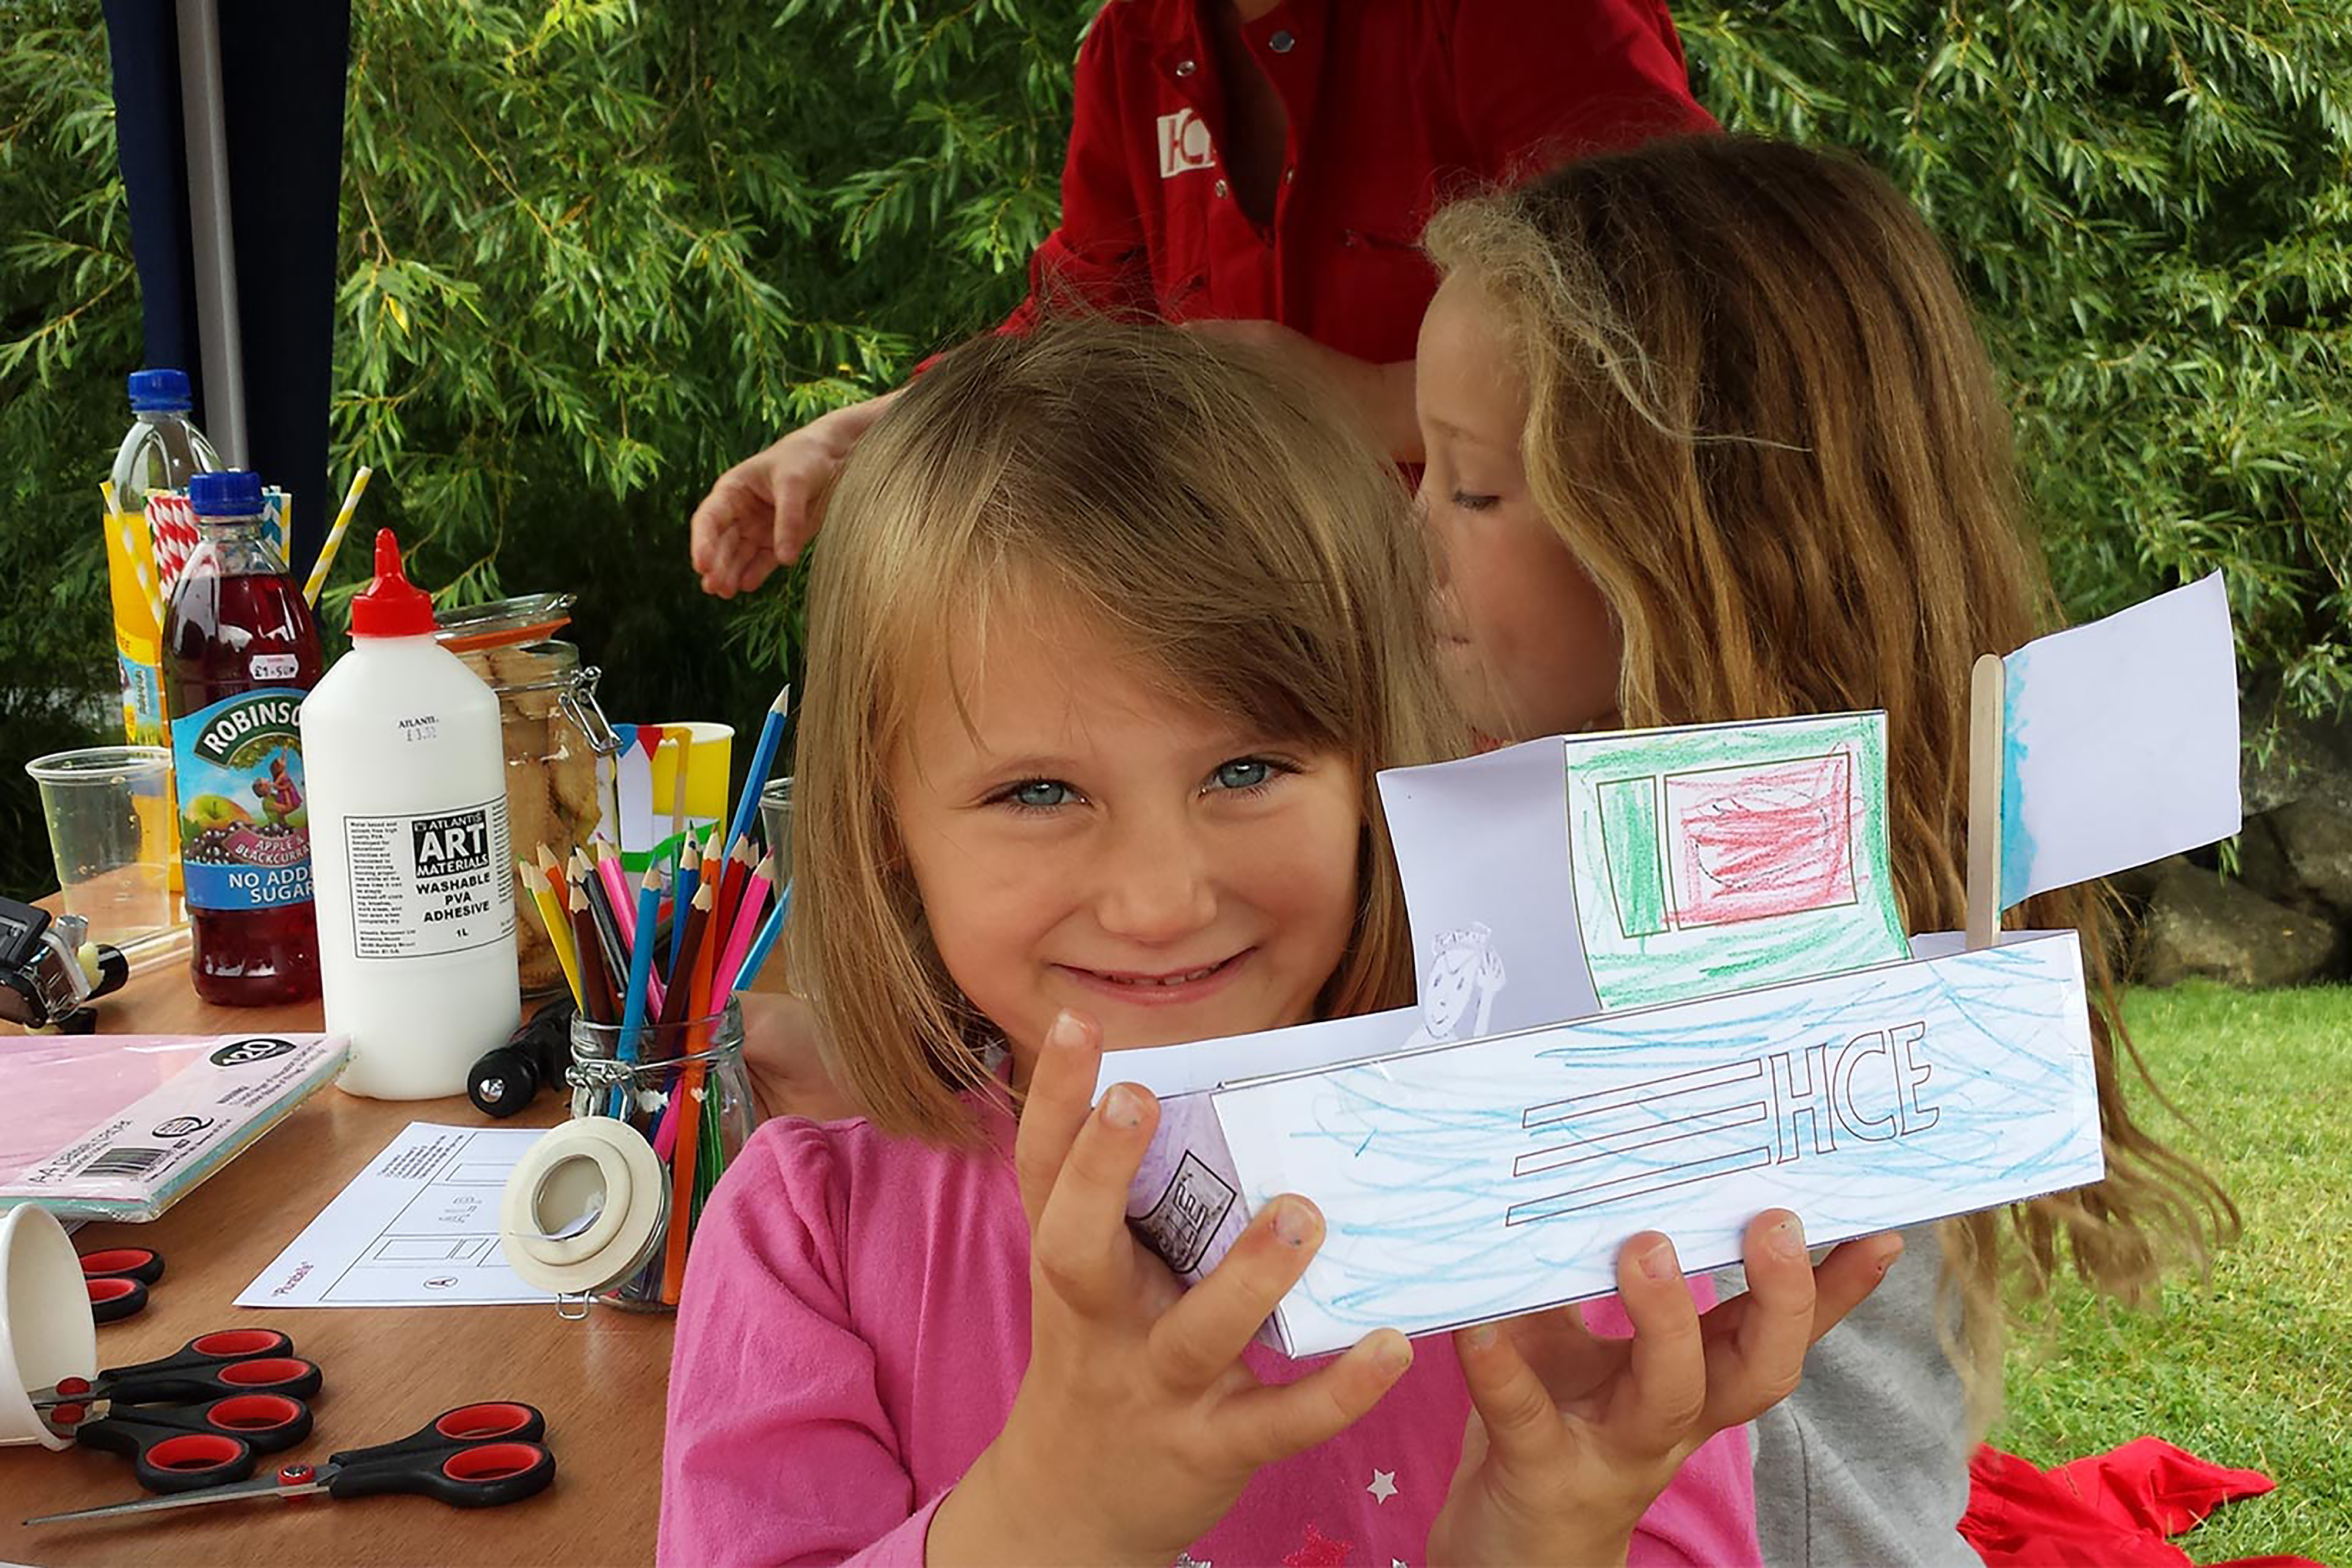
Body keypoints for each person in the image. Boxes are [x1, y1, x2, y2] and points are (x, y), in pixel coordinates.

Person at [660, 320, 1899, 1566]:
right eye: (1038, 792)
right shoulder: (801, 1244)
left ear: (1375, 773)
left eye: (1244, 767)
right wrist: (1047, 1518)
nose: (1157, 898)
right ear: (884, 823)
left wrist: (1532, 1540)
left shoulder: (1573, 1204)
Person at [1411, 133, 2240, 1566]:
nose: (1408, 521)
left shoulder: (1758, 923)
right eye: (1417, 469)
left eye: (1472, 488)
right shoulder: (1586, 824)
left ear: (1680, 546)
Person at [690, 0, 1717, 599]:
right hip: (1289, 668)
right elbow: (1079, 327)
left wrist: (1359, 400)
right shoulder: (1134, 46)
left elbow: (1701, 315)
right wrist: (859, 440)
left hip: (1548, 682)